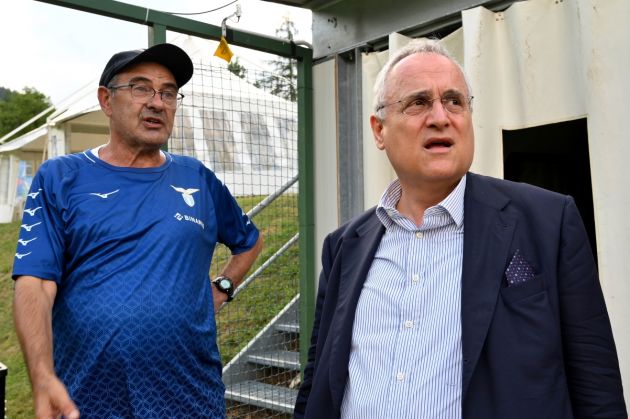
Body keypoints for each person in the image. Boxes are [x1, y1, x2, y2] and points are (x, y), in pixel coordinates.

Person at [294, 38, 626, 418]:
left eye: (454, 101)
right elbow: (317, 380)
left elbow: (596, 385)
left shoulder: (549, 221)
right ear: (379, 130)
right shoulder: (344, 247)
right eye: (418, 102)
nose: (440, 116)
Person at [12, 43, 263, 418]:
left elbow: (250, 240)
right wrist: (43, 376)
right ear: (106, 100)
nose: (157, 102)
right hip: (87, 399)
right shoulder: (61, 177)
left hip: (190, 398)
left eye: (168, 92)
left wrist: (222, 287)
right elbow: (35, 282)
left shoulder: (196, 178)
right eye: (141, 88)